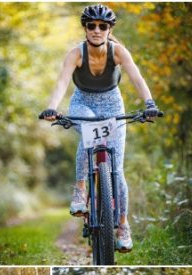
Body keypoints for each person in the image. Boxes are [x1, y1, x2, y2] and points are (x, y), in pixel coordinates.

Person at [40, 4, 160, 251]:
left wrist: (149, 104)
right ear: (85, 28)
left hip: (113, 104)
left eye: (102, 26)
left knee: (118, 169)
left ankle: (124, 226)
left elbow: (137, 77)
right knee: (88, 137)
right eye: (91, 25)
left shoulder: (119, 52)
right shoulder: (76, 53)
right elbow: (63, 81)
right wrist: (52, 107)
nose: (97, 30)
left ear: (109, 29)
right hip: (82, 103)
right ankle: (80, 189)